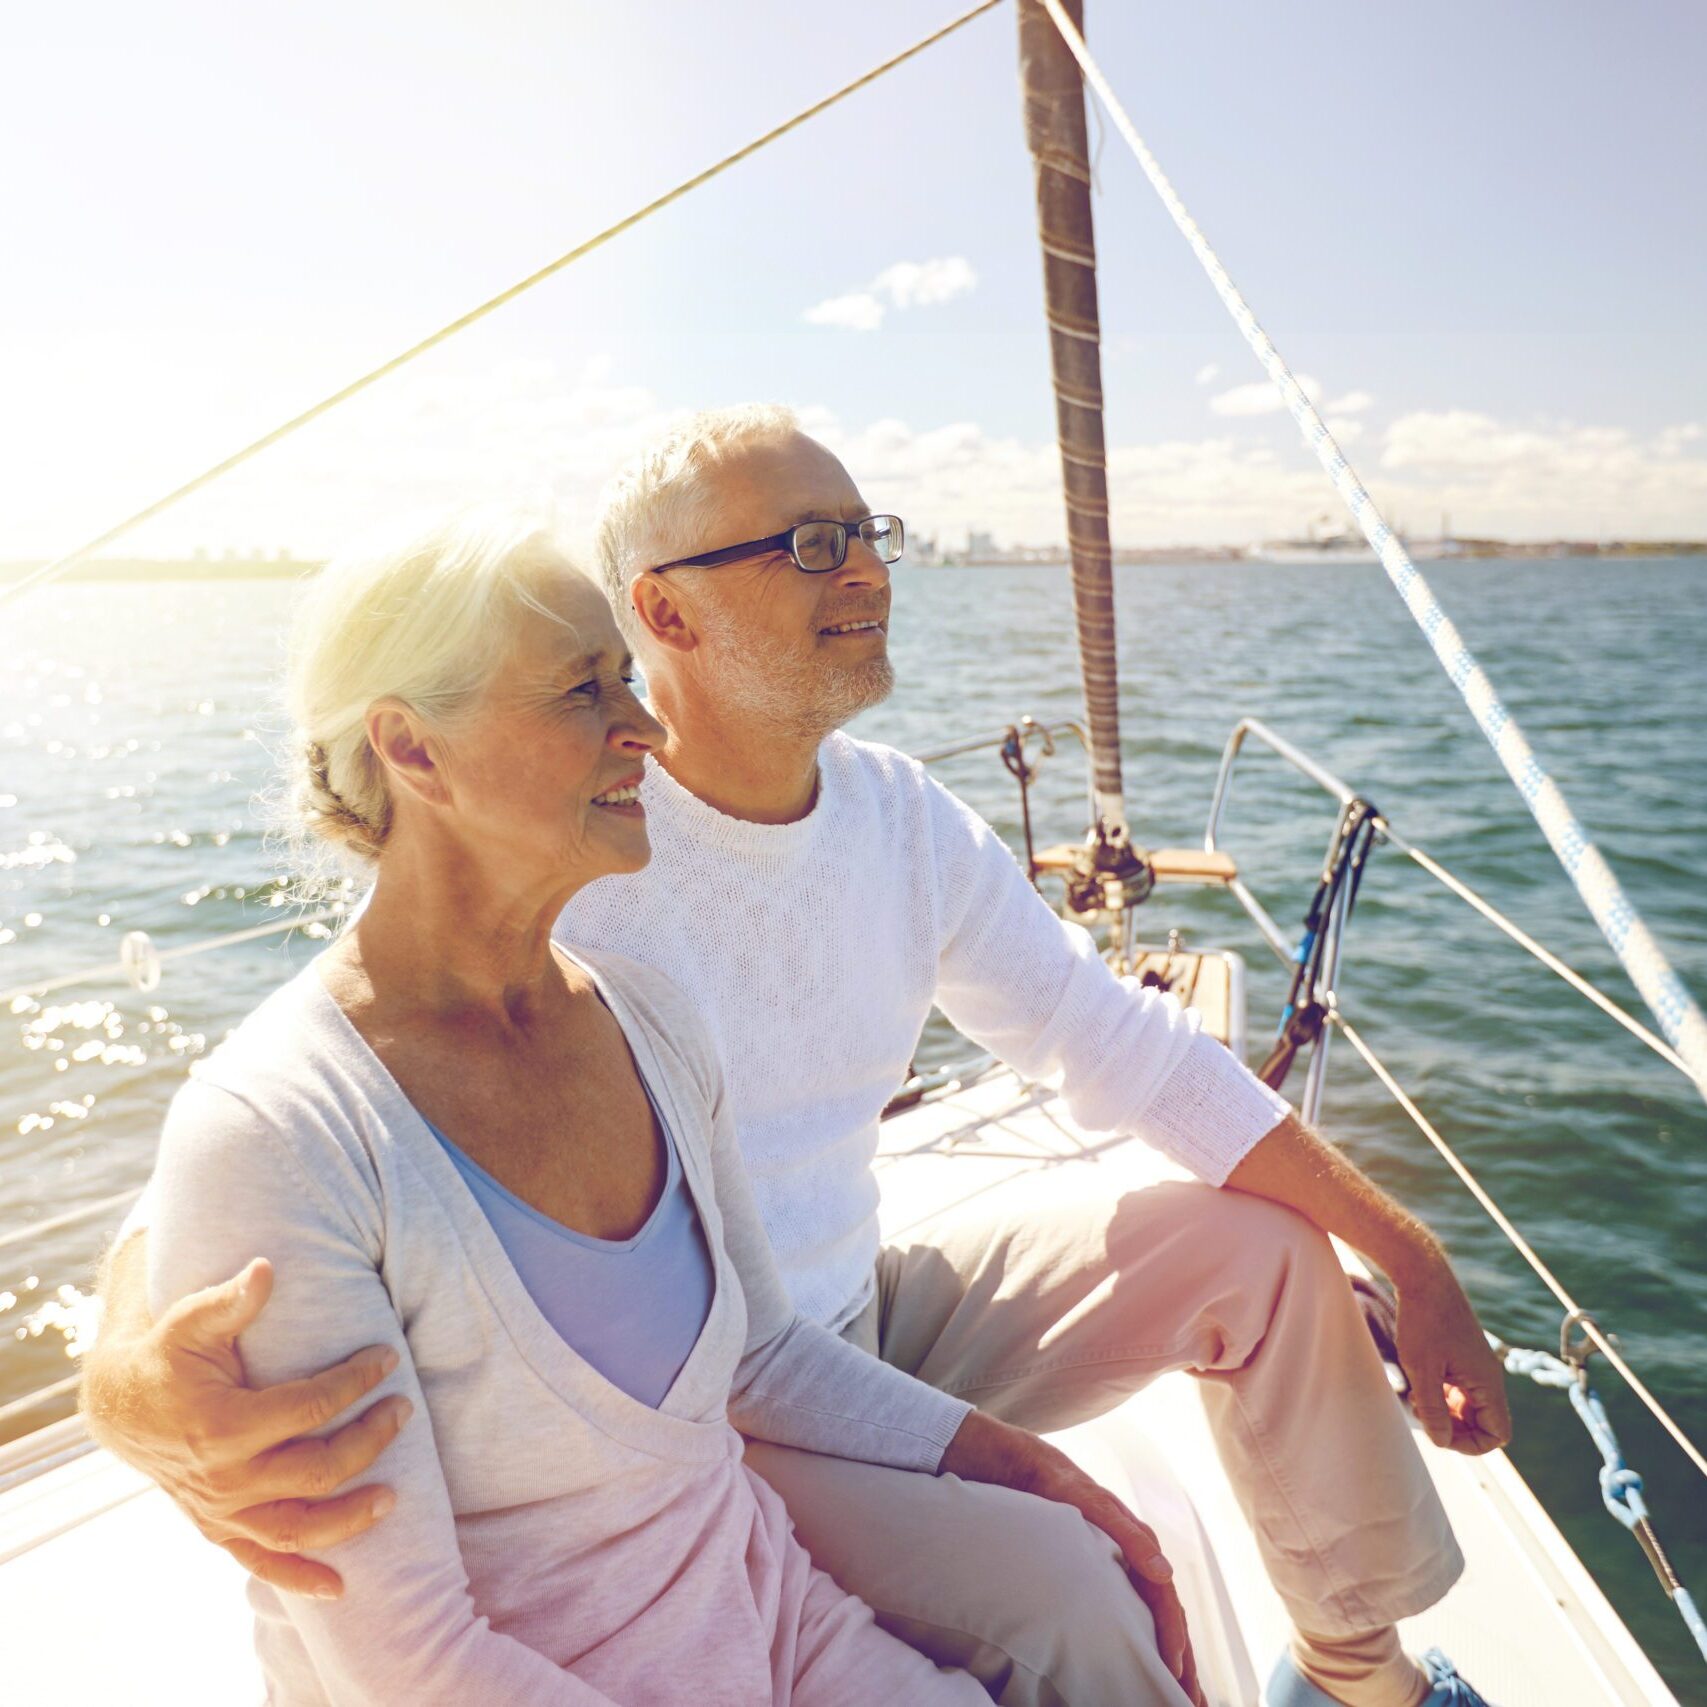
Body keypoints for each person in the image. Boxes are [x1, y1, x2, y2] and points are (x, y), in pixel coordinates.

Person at [86, 408, 1508, 1707]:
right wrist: (120, 1371)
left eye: (869, 535)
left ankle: (1350, 1670)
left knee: (1259, 1248)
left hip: (845, 1314)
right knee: (1071, 1593)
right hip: (717, 1400)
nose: (869, 575)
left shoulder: (890, 818)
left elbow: (1118, 1044)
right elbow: (317, 1115)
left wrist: (1410, 1252)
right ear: (664, 611)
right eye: (811, 546)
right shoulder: (566, 846)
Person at [126, 509, 1188, 1705]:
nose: (645, 724)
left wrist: (1029, 1471)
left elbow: (767, 1359)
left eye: (627, 675)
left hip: (773, 1637)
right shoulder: (284, 1134)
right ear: (414, 754)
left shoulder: (645, 1017)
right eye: (585, 691)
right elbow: (414, 1670)